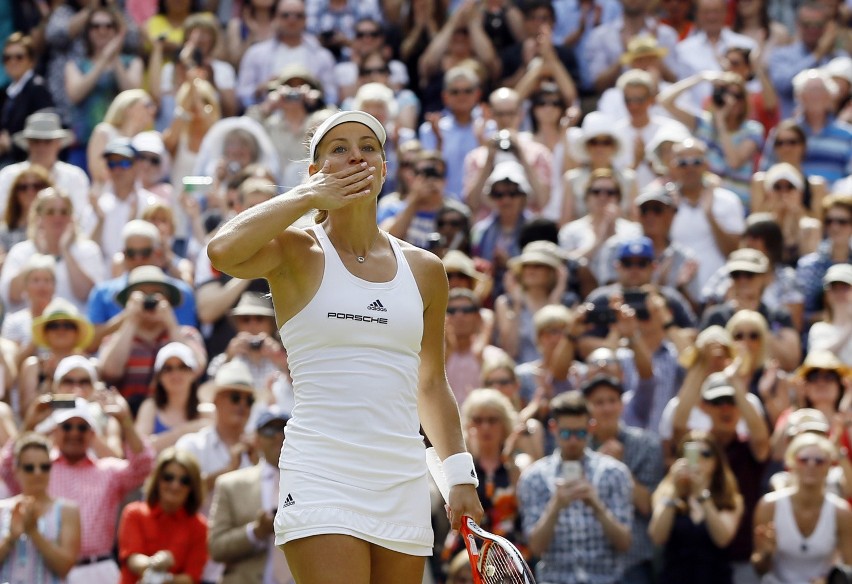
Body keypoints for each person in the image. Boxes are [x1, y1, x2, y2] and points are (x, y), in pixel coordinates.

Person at [206, 110, 483, 583]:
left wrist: (460, 476)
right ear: (316, 171)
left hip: (401, 477)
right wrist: (306, 196)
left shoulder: (426, 269)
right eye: (339, 148)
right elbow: (222, 251)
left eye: (368, 147)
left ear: (384, 167)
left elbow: (431, 384)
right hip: (321, 471)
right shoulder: (294, 250)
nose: (356, 155)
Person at [0, 394, 154, 584]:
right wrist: (30, 423)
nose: (74, 433)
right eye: (67, 426)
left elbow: (143, 466)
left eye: (82, 427)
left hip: (96, 569)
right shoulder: (39, 467)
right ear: (55, 431)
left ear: (92, 434)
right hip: (47, 568)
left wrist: (126, 422)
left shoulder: (109, 471)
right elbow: (8, 466)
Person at [517, 390, 633, 583]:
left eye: (580, 433)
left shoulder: (614, 473)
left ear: (591, 428)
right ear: (553, 428)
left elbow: (624, 543)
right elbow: (536, 547)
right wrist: (555, 506)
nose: (572, 440)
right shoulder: (534, 477)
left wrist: (596, 505)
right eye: (565, 433)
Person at [584, 375, 663, 584]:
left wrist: (620, 468)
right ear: (587, 408)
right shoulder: (577, 446)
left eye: (612, 400)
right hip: (589, 560)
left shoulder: (647, 444)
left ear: (621, 405)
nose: (607, 408)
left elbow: (647, 505)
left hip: (633, 562)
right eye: (599, 402)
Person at [208, 406, 294, 584]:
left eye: (284, 429)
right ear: (256, 439)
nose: (278, 436)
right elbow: (216, 547)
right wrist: (256, 532)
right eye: (270, 430)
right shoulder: (231, 485)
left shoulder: (312, 484)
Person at [751, 433, 852, 583]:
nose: (811, 465)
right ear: (791, 463)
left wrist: (829, 580)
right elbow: (759, 568)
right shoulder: (768, 506)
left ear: (829, 466)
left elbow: (849, 567)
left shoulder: (841, 512)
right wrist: (766, 553)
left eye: (819, 461)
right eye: (804, 459)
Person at [648, 430, 744, 584]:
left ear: (716, 461)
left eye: (705, 454)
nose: (698, 459)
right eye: (691, 453)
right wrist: (674, 491)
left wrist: (702, 495)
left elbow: (723, 539)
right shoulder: (666, 493)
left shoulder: (729, 499)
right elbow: (657, 536)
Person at [117, 447, 208, 584]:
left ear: (192, 486)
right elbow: (132, 559)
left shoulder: (199, 526)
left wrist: (162, 580)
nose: (175, 486)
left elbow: (192, 577)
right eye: (168, 477)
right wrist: (156, 563)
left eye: (184, 480)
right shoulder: (134, 513)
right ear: (157, 479)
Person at [0, 433, 80, 583]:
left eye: (44, 467)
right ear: (16, 470)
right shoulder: (2, 508)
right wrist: (10, 538)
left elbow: (65, 566)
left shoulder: (68, 510)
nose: (38, 473)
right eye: (29, 467)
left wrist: (34, 532)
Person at [134, 342, 211, 453]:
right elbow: (139, 449)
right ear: (159, 377)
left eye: (182, 367)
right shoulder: (150, 407)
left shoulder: (207, 412)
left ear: (193, 373)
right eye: (168, 369)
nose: (175, 374)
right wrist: (184, 431)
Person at [0, 33, 54, 166]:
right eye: (8, 58)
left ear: (31, 61)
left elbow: (45, 130)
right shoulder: (7, 91)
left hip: (30, 161)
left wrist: (10, 143)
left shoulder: (37, 88)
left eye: (19, 57)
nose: (13, 62)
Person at [809, 265, 852, 363]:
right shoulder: (818, 329)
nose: (840, 293)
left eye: (845, 288)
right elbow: (817, 358)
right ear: (827, 293)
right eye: (834, 288)